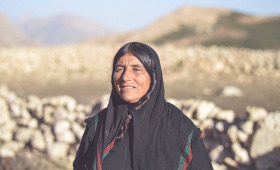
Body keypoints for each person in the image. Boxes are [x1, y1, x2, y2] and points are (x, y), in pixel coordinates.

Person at [73, 42, 213, 170]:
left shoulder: (179, 128)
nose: (125, 76)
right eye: (119, 68)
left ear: (153, 76)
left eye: (136, 69)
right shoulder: (98, 125)